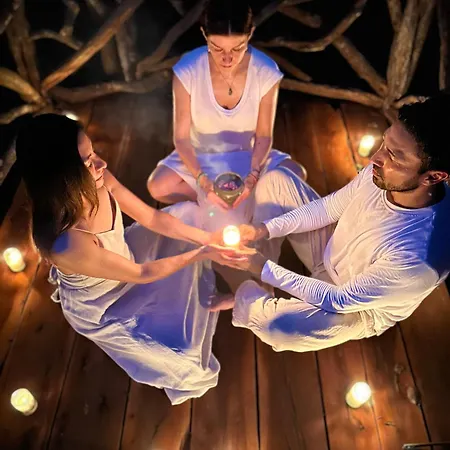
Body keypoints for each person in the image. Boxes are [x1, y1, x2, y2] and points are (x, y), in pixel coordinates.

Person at [15, 114, 243, 405]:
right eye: (87, 162)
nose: (101, 164)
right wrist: (202, 252)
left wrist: (206, 239)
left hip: (124, 256)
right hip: (108, 300)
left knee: (189, 215)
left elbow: (152, 218)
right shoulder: (69, 242)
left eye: (93, 153)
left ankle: (200, 281)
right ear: (62, 177)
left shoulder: (99, 180)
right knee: (180, 349)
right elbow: (142, 273)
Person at [217, 94, 450, 353]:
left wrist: (262, 266)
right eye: (385, 143)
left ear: (433, 177)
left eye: (394, 156)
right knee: (276, 180)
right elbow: (330, 208)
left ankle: (245, 294)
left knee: (279, 328)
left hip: (358, 307)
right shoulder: (383, 173)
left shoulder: (421, 258)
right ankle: (262, 285)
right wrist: (264, 229)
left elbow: (338, 299)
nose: (376, 158)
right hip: (331, 251)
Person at [147, 0, 305, 231]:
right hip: (201, 154)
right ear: (204, 34)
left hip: (247, 154)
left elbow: (263, 136)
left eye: (237, 48)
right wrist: (203, 182)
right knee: (158, 186)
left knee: (296, 175)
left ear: (250, 34)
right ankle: (218, 202)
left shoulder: (265, 70)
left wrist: (253, 176)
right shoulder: (188, 69)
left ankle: (242, 201)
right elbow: (181, 138)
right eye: (217, 48)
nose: (227, 58)